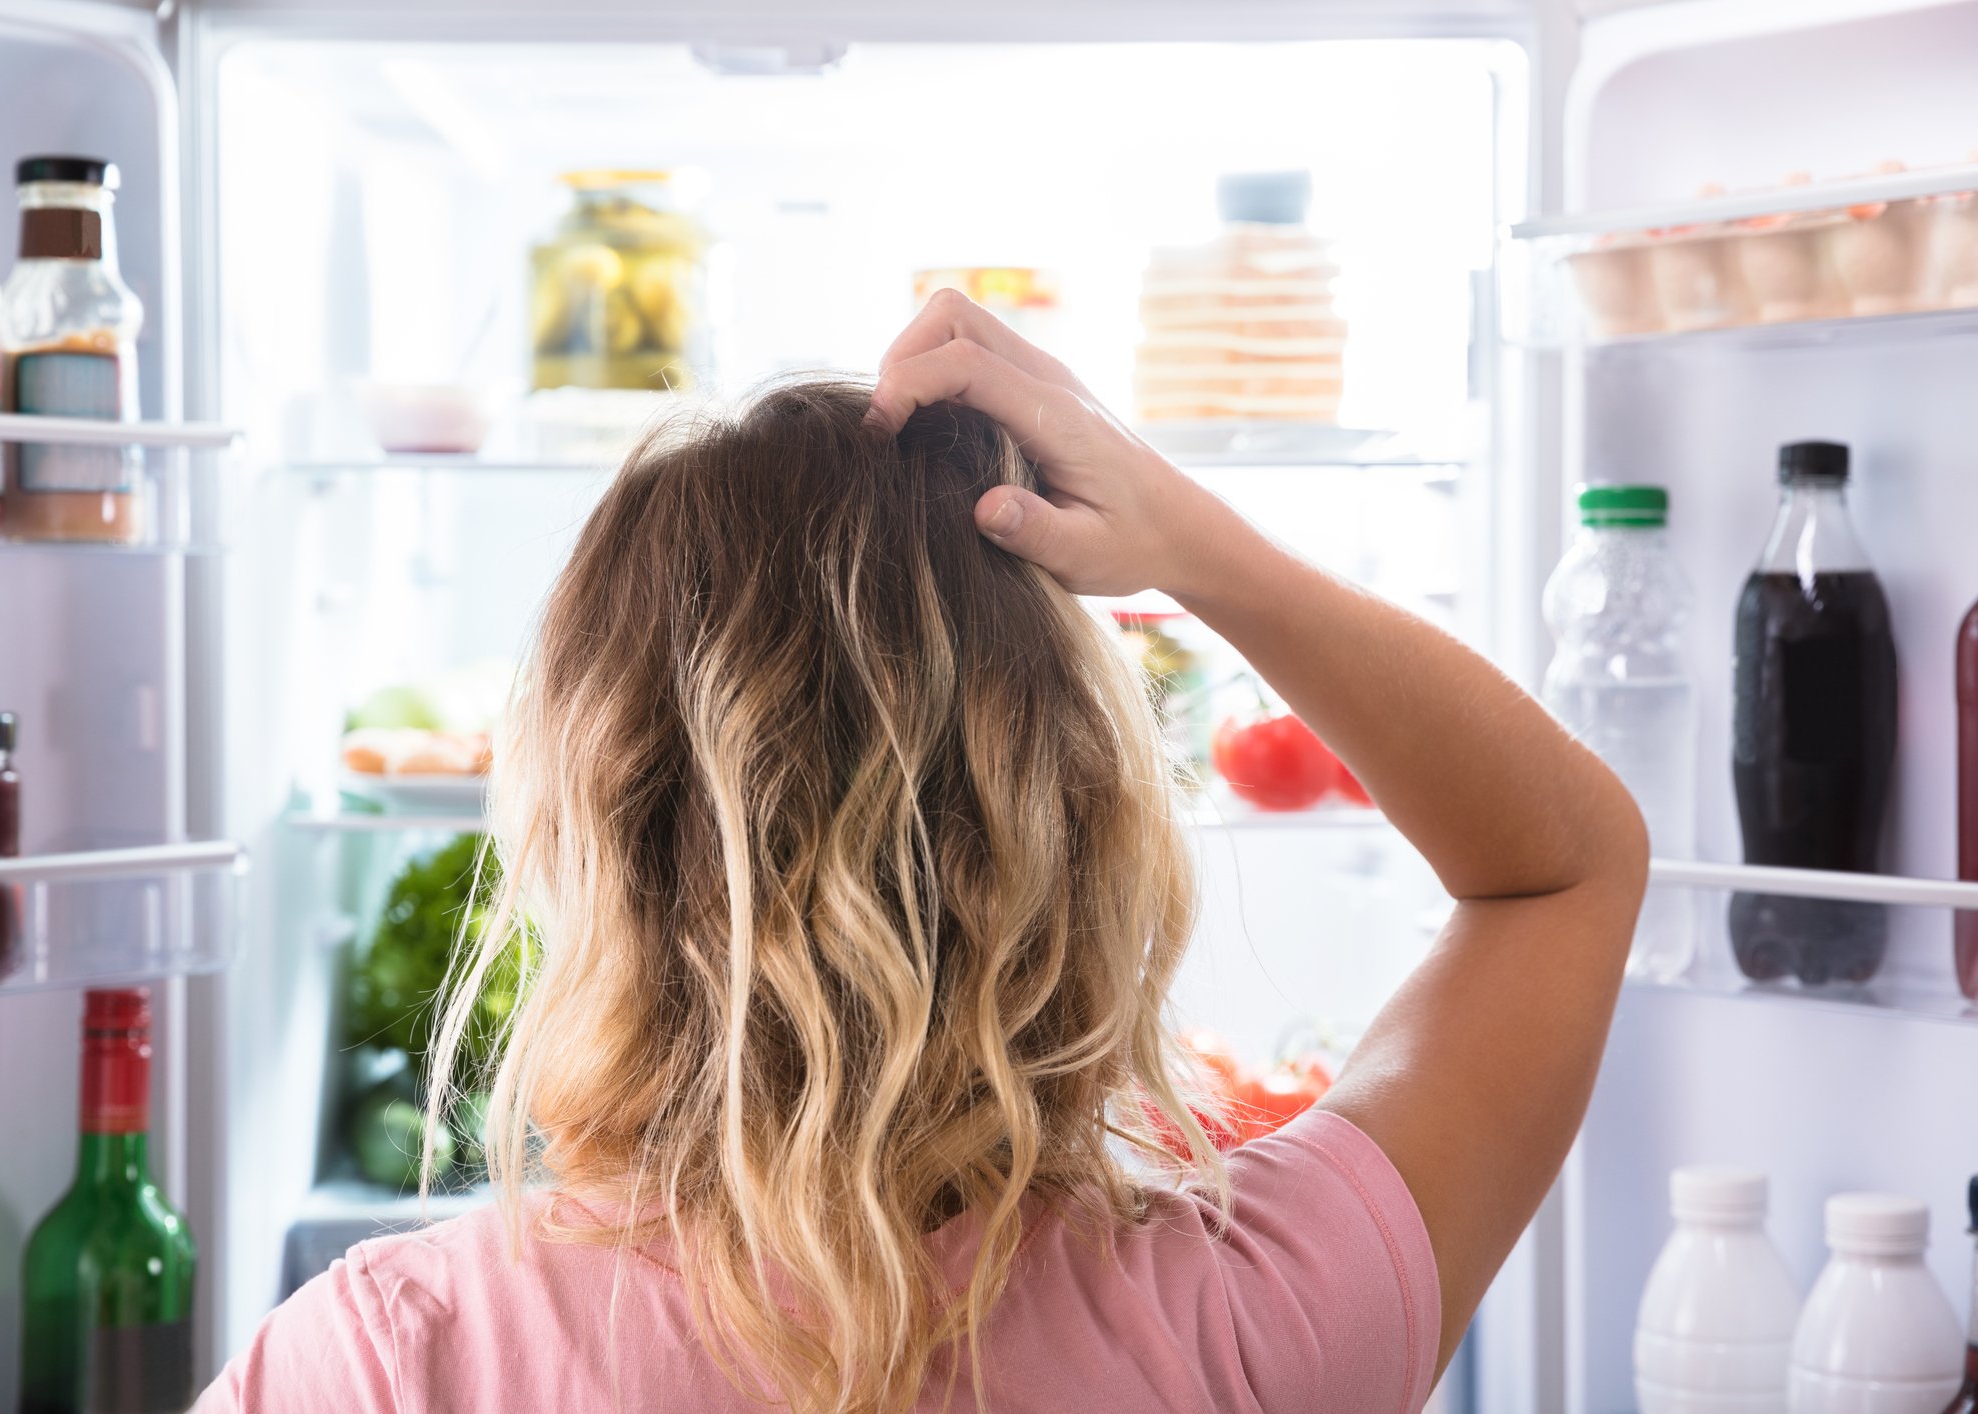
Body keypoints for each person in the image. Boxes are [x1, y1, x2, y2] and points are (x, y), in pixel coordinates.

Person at [198, 292, 1646, 1414]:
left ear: (587, 828)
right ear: (1074, 813)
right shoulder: (1252, 1313)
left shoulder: (388, 1359)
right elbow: (1566, 868)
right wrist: (1191, 542)